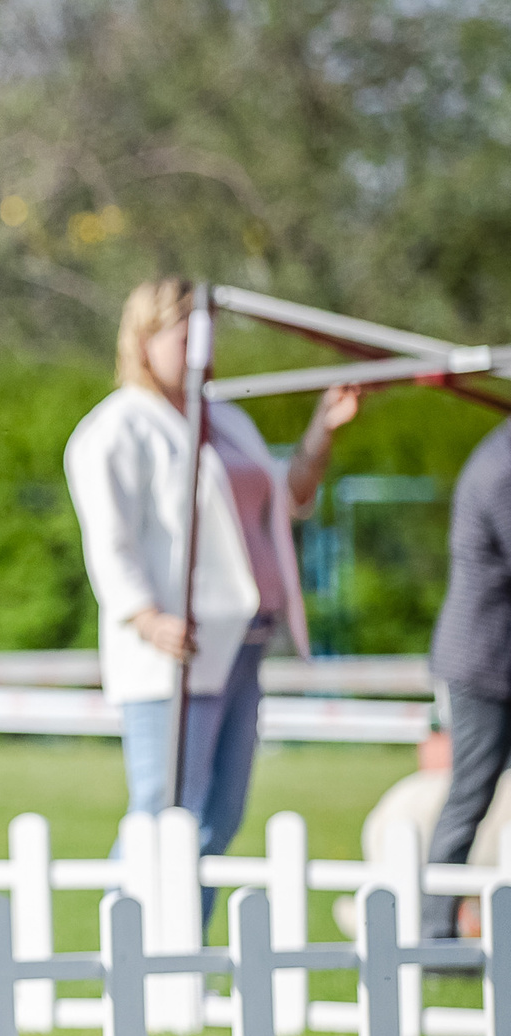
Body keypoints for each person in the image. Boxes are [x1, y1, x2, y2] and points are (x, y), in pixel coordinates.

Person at [66, 275, 359, 919]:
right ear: (145, 340)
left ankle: (183, 945)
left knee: (219, 817)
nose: (202, 350)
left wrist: (321, 431)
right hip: (175, 651)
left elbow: (283, 500)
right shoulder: (118, 429)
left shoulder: (224, 417)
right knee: (164, 809)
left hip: (245, 638)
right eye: (184, 336)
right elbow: (110, 540)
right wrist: (147, 617)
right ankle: (129, 943)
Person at [424, 419, 511, 940]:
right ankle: (434, 933)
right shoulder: (502, 468)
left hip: (494, 661)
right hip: (483, 664)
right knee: (469, 798)